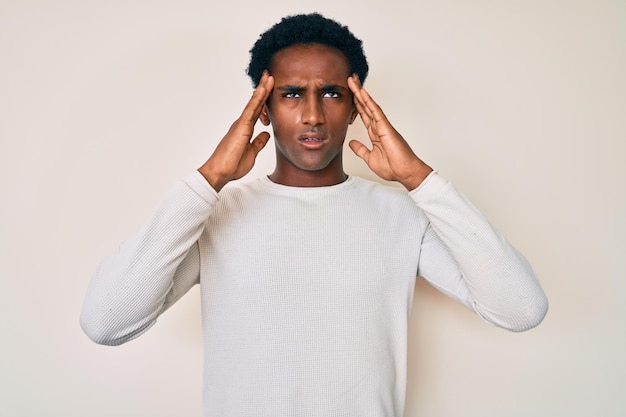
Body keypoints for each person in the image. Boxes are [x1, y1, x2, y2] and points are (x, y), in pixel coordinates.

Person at [80, 12, 548, 417]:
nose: (311, 116)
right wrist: (209, 180)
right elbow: (105, 321)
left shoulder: (400, 215)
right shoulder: (216, 215)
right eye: (289, 94)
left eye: (329, 94)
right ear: (261, 109)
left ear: (355, 109)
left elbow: (520, 309)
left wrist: (419, 179)